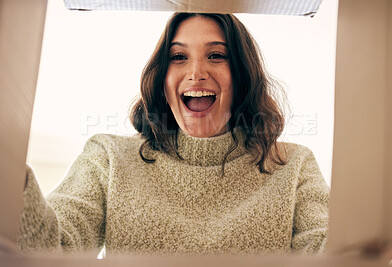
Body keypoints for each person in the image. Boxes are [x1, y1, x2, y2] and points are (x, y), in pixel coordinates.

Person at [18, 12, 329, 256]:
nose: (196, 73)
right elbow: (52, 250)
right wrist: (12, 175)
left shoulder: (293, 166)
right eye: (179, 57)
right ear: (162, 77)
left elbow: (329, 255)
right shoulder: (109, 158)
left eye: (216, 55)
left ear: (243, 76)